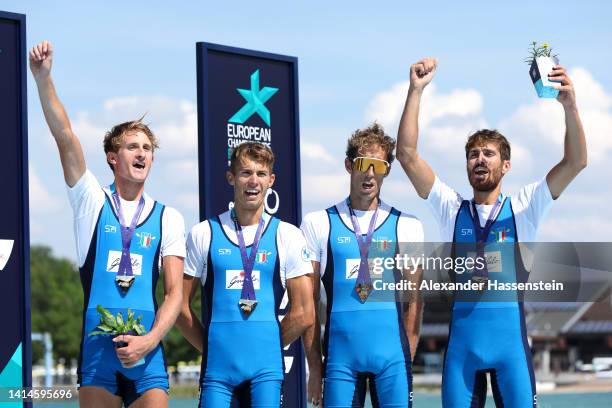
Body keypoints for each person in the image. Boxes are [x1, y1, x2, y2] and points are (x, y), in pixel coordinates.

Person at [396, 57, 587, 407]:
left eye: (488, 153)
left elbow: (575, 162)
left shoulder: (526, 207)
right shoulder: (452, 209)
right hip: (461, 357)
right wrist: (416, 91)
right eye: (472, 154)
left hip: (510, 355)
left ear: (507, 165)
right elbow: (407, 156)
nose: (480, 160)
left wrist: (570, 106)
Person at [30, 40, 185, 408]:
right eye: (133, 147)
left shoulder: (169, 217)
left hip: (147, 353)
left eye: (147, 149)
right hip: (98, 351)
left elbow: (175, 294)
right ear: (113, 158)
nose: (142, 153)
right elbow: (65, 136)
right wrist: (43, 78)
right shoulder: (91, 201)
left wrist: (149, 340)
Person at [176, 142, 315, 407]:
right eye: (245, 173)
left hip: (266, 370)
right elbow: (179, 307)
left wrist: (268, 346)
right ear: (231, 177)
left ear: (271, 180)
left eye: (261, 174)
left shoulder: (288, 235)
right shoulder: (203, 233)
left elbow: (305, 313)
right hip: (218, 371)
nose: (254, 181)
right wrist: (213, 347)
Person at [301, 123, 424, 407]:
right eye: (363, 164)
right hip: (340, 362)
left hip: (392, 361)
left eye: (378, 166)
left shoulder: (407, 225)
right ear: (348, 165)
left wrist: (406, 356)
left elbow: (414, 300)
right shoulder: (318, 223)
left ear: (387, 171)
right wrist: (315, 368)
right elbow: (307, 306)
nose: (370, 173)